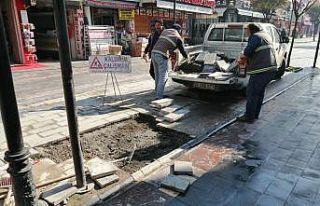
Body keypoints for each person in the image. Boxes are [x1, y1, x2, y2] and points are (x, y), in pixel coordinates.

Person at [237, 23, 277, 123]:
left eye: (246, 29)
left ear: (251, 30)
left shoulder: (255, 37)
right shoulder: (265, 35)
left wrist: (240, 59)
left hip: (261, 70)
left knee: (252, 93)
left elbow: (247, 52)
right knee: (259, 93)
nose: (245, 31)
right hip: (270, 69)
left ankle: (248, 116)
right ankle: (254, 115)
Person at [151, 24, 188, 100]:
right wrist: (187, 57)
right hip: (161, 55)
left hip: (153, 53)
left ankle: (158, 92)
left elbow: (166, 43)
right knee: (164, 77)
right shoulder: (177, 37)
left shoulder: (165, 32)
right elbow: (182, 50)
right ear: (179, 30)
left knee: (157, 75)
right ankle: (159, 96)